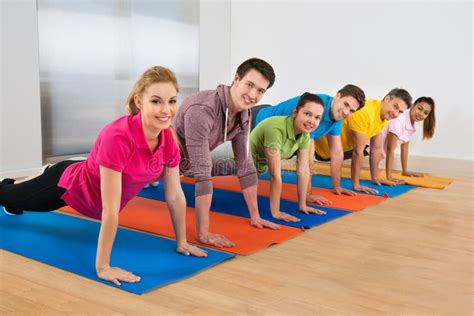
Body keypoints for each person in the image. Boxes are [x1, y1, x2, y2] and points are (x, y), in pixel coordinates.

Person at [0, 66, 207, 286]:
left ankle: (32, 178)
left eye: (172, 101)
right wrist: (103, 267)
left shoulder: (168, 140)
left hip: (88, 176)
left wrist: (182, 242)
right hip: (68, 188)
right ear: (139, 101)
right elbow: (110, 208)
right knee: (9, 197)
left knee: (19, 194)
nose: (166, 110)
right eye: (156, 101)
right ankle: (16, 185)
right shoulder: (117, 137)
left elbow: (175, 195)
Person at [174, 58, 280, 248]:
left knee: (249, 165)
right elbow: (202, 172)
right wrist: (203, 233)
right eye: (249, 85)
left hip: (185, 163)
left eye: (260, 91)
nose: (252, 95)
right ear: (236, 79)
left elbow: (245, 165)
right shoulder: (202, 110)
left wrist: (255, 216)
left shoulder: (244, 115)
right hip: (158, 161)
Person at [252, 84, 366, 203]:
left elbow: (336, 153)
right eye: (346, 104)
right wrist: (308, 194)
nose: (346, 112)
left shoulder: (337, 118)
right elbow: (306, 160)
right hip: (256, 120)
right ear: (337, 96)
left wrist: (337, 186)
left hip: (277, 136)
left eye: (352, 110)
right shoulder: (316, 110)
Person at [314, 88, 413, 194]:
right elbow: (357, 151)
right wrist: (356, 185)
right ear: (387, 99)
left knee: (369, 148)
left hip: (335, 150)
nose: (396, 114)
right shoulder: (365, 113)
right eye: (395, 107)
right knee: (361, 149)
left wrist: (375, 178)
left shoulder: (383, 117)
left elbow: (376, 147)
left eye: (400, 112)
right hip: (318, 148)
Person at [250, 92, 327, 222]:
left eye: (317, 117)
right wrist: (276, 212)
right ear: (295, 112)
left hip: (254, 166)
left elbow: (304, 170)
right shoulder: (276, 128)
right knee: (204, 175)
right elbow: (275, 174)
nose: (311, 121)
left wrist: (302, 204)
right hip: (231, 156)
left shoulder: (304, 136)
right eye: (307, 114)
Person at [383, 96, 436, 182]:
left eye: (425, 113)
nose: (421, 114)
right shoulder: (399, 120)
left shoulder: (411, 123)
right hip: (365, 149)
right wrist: (389, 177)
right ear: (412, 105)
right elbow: (390, 149)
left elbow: (404, 148)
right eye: (419, 108)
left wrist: (405, 171)